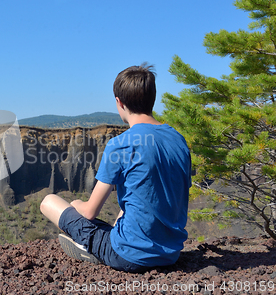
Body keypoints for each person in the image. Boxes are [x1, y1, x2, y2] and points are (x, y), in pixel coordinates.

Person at [40, 63, 191, 273]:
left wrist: (75, 204)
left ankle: (89, 248)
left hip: (129, 256)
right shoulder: (178, 140)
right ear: (152, 99)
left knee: (49, 202)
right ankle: (112, 240)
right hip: (170, 254)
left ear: (119, 103)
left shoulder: (121, 144)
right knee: (129, 203)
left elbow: (91, 211)